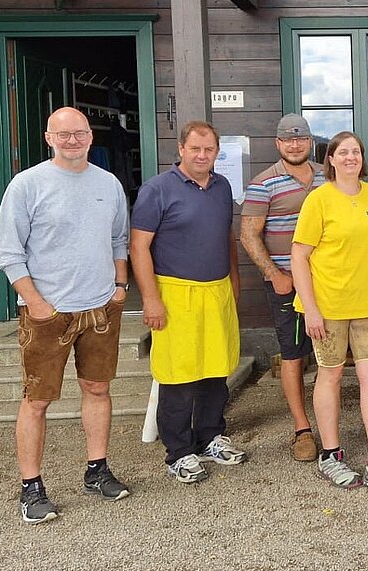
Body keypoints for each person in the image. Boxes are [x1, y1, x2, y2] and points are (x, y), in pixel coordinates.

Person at [0, 106, 132, 525]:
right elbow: (8, 251)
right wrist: (35, 302)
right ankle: (31, 487)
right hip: (46, 311)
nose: (73, 140)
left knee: (97, 388)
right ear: (48, 138)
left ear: (91, 137)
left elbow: (118, 238)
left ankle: (97, 468)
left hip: (99, 307)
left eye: (80, 133)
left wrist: (120, 287)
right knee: (37, 400)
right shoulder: (27, 185)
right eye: (64, 134)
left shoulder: (108, 184)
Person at [291, 131, 368, 493]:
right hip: (328, 307)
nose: (350, 157)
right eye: (342, 152)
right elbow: (299, 256)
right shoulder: (319, 200)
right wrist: (311, 309)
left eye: (356, 152)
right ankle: (330, 455)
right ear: (330, 159)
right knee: (330, 377)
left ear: (363, 158)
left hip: (367, 306)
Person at [131, 120, 246, 485]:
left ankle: (211, 435)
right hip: (175, 293)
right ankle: (179, 452)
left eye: (208, 149)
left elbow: (225, 236)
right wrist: (150, 299)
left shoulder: (222, 186)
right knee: (178, 374)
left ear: (216, 152)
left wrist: (235, 280)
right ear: (180, 149)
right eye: (195, 148)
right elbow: (139, 247)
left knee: (215, 369)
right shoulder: (157, 190)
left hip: (216, 290)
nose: (201, 155)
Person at [240, 114, 324, 462]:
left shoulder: (326, 176)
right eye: (288, 140)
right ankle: (302, 429)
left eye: (300, 139)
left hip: (328, 284)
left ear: (309, 142)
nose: (294, 145)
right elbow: (248, 234)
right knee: (293, 355)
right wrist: (274, 274)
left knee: (333, 355)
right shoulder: (263, 183)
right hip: (287, 284)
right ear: (278, 144)